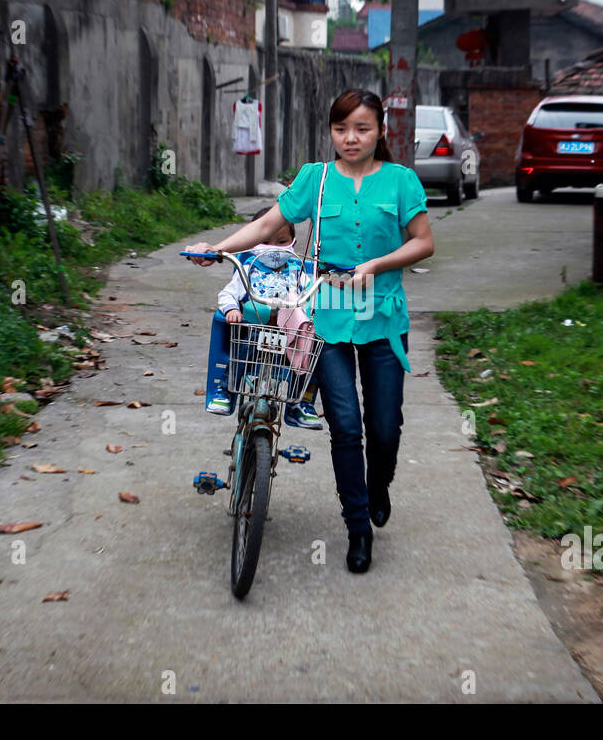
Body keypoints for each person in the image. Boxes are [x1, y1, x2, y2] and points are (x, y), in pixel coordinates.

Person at [184, 88, 434, 574]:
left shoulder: (402, 182)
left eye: (362, 128)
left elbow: (424, 243)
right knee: (345, 426)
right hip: (328, 318)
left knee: (385, 427)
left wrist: (377, 264)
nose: (350, 138)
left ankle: (379, 482)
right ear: (331, 132)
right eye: (341, 129)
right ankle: (358, 528)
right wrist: (217, 248)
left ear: (380, 130)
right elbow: (266, 227)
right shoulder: (314, 180)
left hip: (382, 314)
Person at [203, 207, 322, 429]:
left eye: (282, 241)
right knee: (242, 347)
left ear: (293, 241)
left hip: (289, 339)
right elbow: (228, 293)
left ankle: (300, 403)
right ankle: (226, 389)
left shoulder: (297, 271)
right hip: (254, 337)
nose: (274, 249)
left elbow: (312, 294)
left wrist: (313, 307)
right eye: (266, 242)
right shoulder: (248, 268)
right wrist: (231, 310)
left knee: (311, 354)